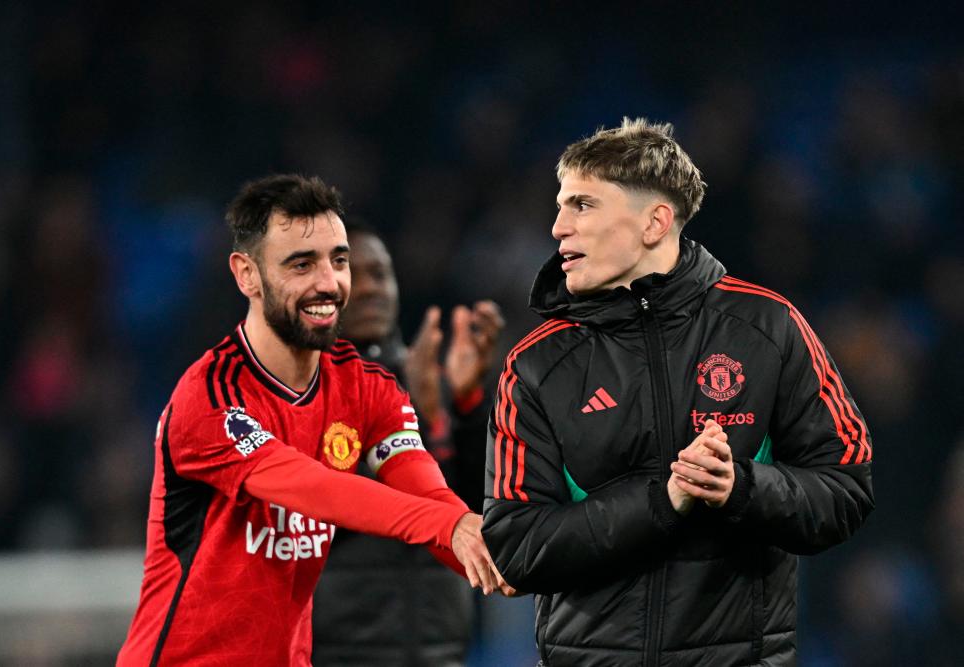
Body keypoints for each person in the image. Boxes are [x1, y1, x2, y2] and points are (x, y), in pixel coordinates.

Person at [481, 118, 875, 666]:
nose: (557, 228)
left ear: (655, 222)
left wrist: (742, 487)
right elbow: (515, 547)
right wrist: (663, 501)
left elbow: (846, 488)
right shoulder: (536, 365)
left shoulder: (769, 327)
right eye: (560, 206)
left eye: (582, 205)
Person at [118, 174, 507, 667]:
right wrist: (449, 524)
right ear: (247, 275)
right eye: (301, 264)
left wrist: (500, 558)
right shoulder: (211, 396)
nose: (329, 283)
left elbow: (425, 492)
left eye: (337, 260)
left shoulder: (367, 386)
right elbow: (317, 489)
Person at [312, 223, 504, 666]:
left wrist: (469, 403)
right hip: (339, 656)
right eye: (354, 275)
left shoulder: (431, 384)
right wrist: (425, 416)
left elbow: (486, 515)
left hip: (441, 652)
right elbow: (333, 517)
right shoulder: (303, 392)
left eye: (380, 274)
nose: (370, 290)